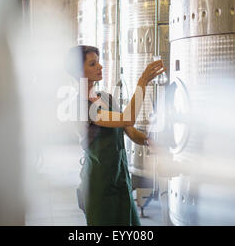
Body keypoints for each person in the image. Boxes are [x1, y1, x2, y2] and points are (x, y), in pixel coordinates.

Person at [65, 45, 166, 226]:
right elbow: (129, 117)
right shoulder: (80, 106)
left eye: (99, 62)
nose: (100, 67)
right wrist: (142, 82)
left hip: (120, 179)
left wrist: (148, 141)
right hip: (98, 184)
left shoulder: (107, 98)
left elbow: (129, 128)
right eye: (93, 64)